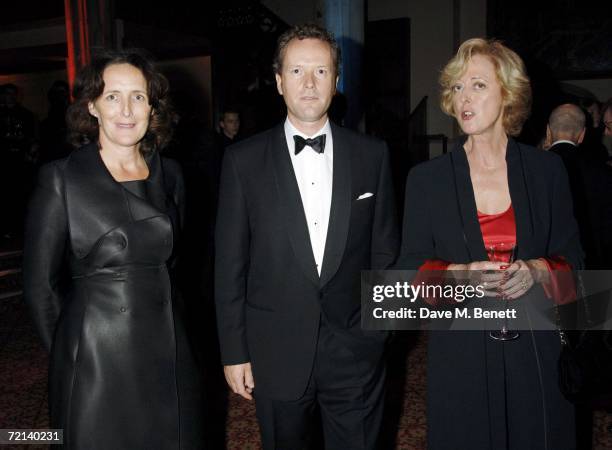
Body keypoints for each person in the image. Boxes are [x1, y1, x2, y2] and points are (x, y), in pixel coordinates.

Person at [215, 24, 398, 449]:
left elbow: (385, 252)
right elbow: (229, 265)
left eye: (321, 71)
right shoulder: (242, 161)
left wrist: (379, 333)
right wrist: (234, 351)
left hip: (356, 352)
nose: (310, 83)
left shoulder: (373, 155)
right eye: (297, 71)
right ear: (279, 82)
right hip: (274, 351)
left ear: (336, 80)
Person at [396, 38, 583, 449]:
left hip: (535, 349)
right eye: (458, 87)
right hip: (460, 353)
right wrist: (457, 274)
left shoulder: (546, 171)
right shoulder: (427, 180)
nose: (464, 97)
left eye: (478, 85)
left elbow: (577, 263)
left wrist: (538, 271)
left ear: (508, 94)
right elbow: (408, 271)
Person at [23, 50, 204, 449]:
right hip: (96, 359)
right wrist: (72, 357)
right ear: (92, 106)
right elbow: (39, 287)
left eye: (138, 96)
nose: (126, 109)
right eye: (112, 96)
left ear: (152, 106)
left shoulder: (170, 173)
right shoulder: (61, 179)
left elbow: (174, 265)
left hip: (169, 352)